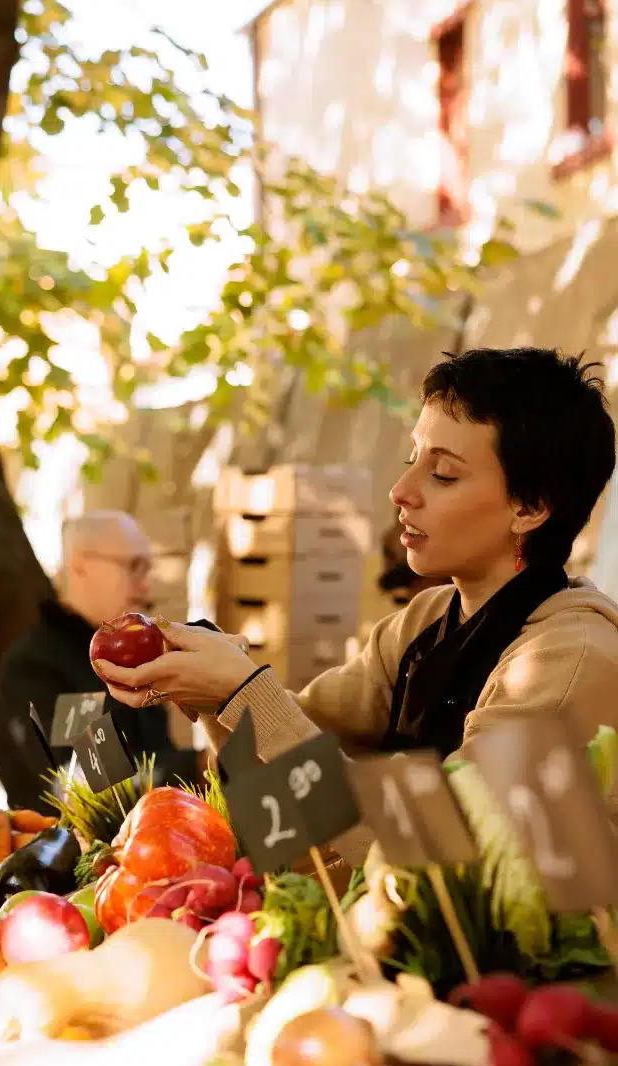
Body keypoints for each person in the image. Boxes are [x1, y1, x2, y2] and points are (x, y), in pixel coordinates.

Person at [93, 348, 618, 861]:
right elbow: (295, 750)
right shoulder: (424, 621)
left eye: (444, 474)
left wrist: (242, 693)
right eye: (412, 459)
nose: (400, 491)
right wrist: (211, 695)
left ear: (530, 507)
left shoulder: (569, 661)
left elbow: (438, 855)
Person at [0, 509, 199, 808]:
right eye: (134, 567)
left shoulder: (131, 661)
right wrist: (201, 766)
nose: (146, 587)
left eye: (148, 570)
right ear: (80, 567)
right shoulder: (39, 666)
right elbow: (92, 783)